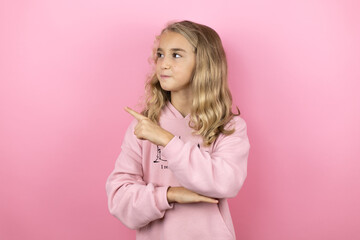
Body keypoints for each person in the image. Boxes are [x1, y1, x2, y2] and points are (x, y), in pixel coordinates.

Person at [105, 20, 250, 240]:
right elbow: (118, 199)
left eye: (176, 55)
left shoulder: (229, 127)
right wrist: (170, 195)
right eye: (161, 54)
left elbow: (226, 182)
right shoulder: (143, 127)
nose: (163, 64)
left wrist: (166, 139)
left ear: (203, 63)